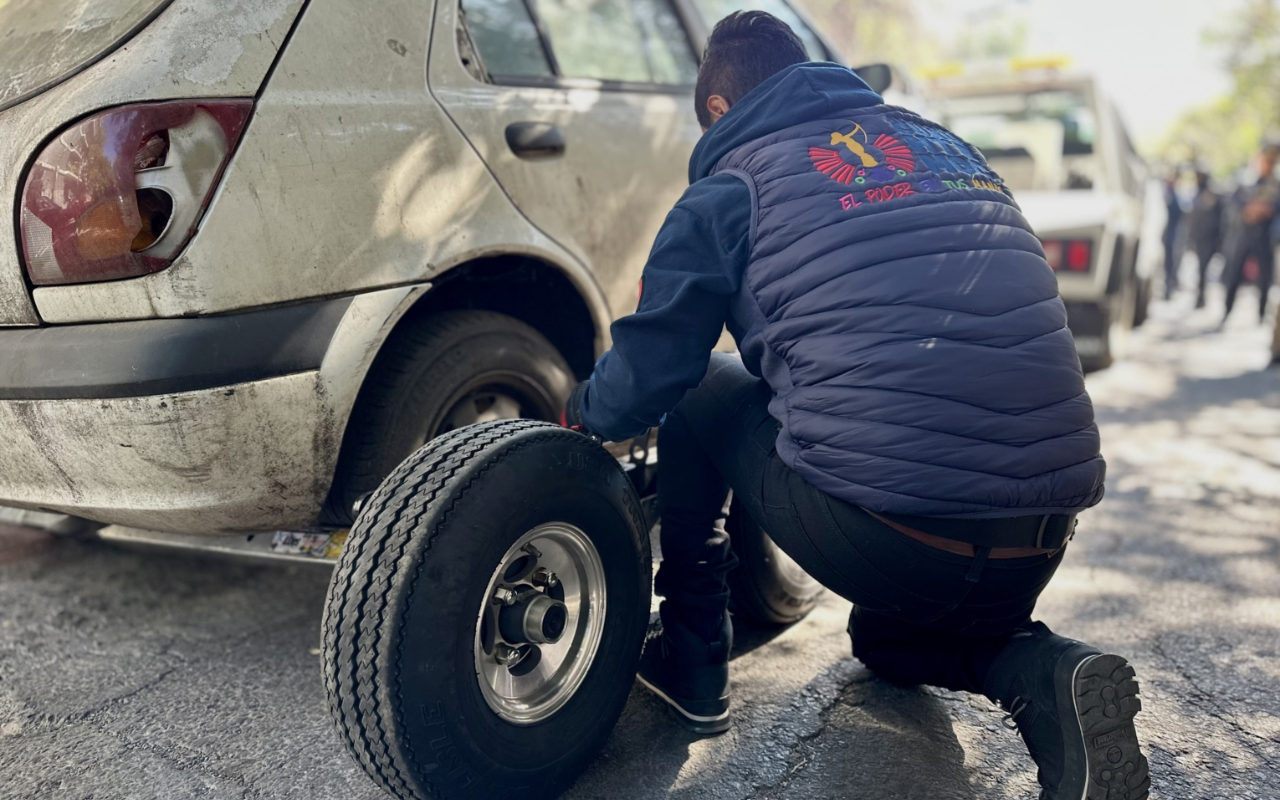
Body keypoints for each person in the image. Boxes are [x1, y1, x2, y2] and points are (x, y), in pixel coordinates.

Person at [562, 12, 1148, 800]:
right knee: (883, 640)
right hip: (1035, 540)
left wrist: (575, 412)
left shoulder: (729, 188)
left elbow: (642, 384)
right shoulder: (949, 149)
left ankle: (693, 657)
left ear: (715, 107)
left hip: (890, 531)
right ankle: (1042, 670)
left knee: (700, 382)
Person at [1221, 143, 1280, 324]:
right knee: (1233, 274)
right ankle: (1227, 311)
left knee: (1265, 277)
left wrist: (1265, 209)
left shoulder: (1275, 185)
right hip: (1242, 235)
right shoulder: (1245, 181)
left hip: (1264, 237)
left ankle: (1262, 315)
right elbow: (1232, 202)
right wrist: (1248, 209)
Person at [1187, 169, 1225, 309]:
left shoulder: (1211, 194)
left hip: (1209, 239)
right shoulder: (1198, 193)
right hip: (1200, 238)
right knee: (1200, 270)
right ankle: (1200, 298)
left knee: (1203, 269)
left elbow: (1217, 219)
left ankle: (1201, 298)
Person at [1162, 171, 1185, 299]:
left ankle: (1171, 286)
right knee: (1169, 263)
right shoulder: (1167, 195)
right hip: (1169, 235)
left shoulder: (1174, 194)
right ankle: (1168, 288)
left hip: (1175, 234)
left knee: (1173, 263)